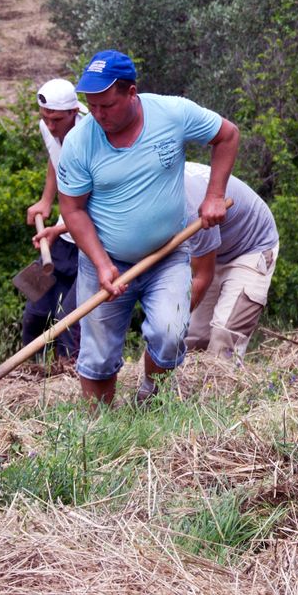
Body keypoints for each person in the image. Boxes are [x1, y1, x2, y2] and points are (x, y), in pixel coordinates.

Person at [49, 50, 240, 405]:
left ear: (131, 93)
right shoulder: (80, 142)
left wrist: (215, 195)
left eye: (106, 105)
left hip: (167, 255)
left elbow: (227, 135)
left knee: (170, 333)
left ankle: (148, 403)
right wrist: (103, 264)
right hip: (103, 261)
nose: (98, 114)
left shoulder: (172, 114)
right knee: (98, 356)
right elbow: (72, 210)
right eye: (92, 105)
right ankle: (99, 431)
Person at [182, 162, 280, 363]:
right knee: (192, 339)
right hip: (210, 252)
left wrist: (169, 323)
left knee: (224, 341)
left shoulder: (188, 204)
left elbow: (202, 276)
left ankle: (217, 392)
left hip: (251, 247)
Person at [22, 77, 84, 361]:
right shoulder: (47, 126)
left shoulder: (90, 136)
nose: (49, 125)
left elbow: (99, 202)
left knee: (67, 322)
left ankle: (66, 383)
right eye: (44, 117)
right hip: (60, 234)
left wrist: (58, 230)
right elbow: (54, 158)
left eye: (56, 119)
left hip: (88, 241)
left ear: (74, 111)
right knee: (33, 312)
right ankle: (26, 377)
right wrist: (46, 201)